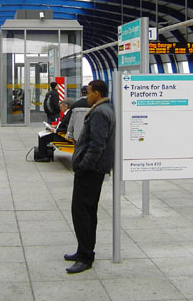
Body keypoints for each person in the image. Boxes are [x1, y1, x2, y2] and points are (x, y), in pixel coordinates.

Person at [65, 80, 115, 274]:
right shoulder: (104, 109)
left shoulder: (100, 113)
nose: (87, 95)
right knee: (87, 212)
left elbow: (97, 145)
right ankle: (83, 250)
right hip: (94, 170)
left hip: (90, 172)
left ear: (97, 94)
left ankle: (85, 257)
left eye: (89, 92)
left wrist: (83, 165)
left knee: (81, 213)